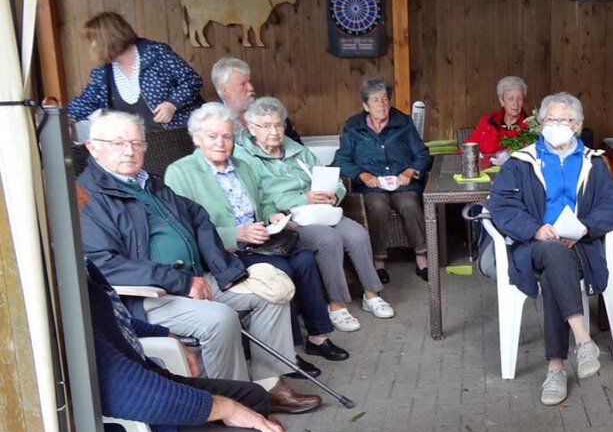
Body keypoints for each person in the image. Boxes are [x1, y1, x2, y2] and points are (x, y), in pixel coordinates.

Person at [78, 110, 321, 414]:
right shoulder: (87, 198)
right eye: (117, 143)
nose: (129, 150)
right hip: (147, 296)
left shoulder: (148, 183)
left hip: (196, 280)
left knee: (270, 294)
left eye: (136, 143)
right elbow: (103, 265)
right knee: (220, 319)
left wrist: (226, 271)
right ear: (92, 147)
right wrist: (180, 282)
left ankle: (269, 386)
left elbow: (197, 216)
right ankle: (232, 405)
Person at [86, 259, 289, 432]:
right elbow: (126, 391)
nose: (80, 216)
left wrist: (163, 334)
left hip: (146, 388)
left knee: (253, 396)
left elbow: (116, 320)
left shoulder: (78, 262)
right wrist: (226, 409)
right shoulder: (59, 286)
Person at [165, 103, 352, 363]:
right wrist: (235, 234)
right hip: (224, 251)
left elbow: (261, 203)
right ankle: (287, 352)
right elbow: (183, 229)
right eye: (212, 136)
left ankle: (317, 337)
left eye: (227, 136)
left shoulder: (242, 166)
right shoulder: (180, 172)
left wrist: (271, 215)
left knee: (305, 259)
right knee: (281, 271)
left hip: (260, 240)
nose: (221, 142)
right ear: (197, 138)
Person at [488, 92, 613, 406]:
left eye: (563, 120)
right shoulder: (521, 162)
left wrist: (585, 227)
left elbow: (612, 205)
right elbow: (502, 206)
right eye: (550, 120)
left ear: (577, 125)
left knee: (556, 267)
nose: (556, 125)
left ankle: (556, 368)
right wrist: (536, 229)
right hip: (533, 245)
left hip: (580, 247)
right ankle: (583, 339)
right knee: (552, 252)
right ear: (539, 124)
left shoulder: (593, 162)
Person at [234, 97, 394, 328]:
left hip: (321, 210)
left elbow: (331, 178)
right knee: (328, 239)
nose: (275, 131)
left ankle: (372, 294)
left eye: (279, 124)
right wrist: (302, 198)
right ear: (251, 128)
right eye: (266, 126)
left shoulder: (296, 149)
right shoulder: (244, 158)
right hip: (288, 217)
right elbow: (258, 198)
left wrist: (333, 194)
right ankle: (337, 305)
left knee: (357, 234)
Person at [332, 78, 433, 282]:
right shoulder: (354, 126)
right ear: (365, 106)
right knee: (376, 206)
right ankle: (379, 262)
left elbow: (423, 154)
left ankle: (422, 258)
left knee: (410, 204)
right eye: (376, 100)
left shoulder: (403, 121)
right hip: (372, 187)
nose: (382, 105)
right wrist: (363, 175)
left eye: (385, 99)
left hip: (403, 184)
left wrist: (410, 171)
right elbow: (340, 160)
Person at [68, 12, 204, 131]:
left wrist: (172, 104)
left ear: (108, 39)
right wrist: (60, 118)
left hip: (178, 136)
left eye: (93, 40)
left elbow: (192, 80)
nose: (92, 45)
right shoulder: (104, 74)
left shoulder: (157, 53)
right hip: (137, 145)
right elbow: (85, 102)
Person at [212, 56, 302, 143]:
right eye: (243, 84)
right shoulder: (212, 120)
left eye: (250, 82)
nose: (251, 88)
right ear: (225, 91)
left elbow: (299, 150)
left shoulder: (272, 112)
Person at [464, 76, 529, 155]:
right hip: (483, 166)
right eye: (511, 99)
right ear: (502, 101)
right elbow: (467, 148)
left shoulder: (530, 127)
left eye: (519, 99)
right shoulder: (487, 122)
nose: (515, 104)